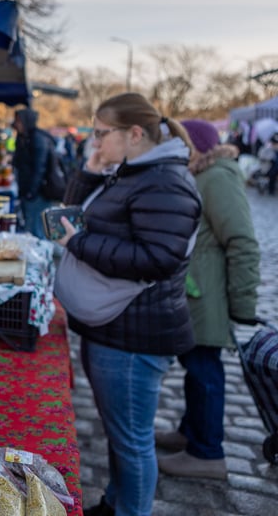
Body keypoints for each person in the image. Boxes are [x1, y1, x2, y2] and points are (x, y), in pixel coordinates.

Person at [55, 93, 202, 516]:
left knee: (133, 441)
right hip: (116, 328)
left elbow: (158, 258)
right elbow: (74, 215)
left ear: (134, 133)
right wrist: (88, 173)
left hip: (136, 334)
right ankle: (115, 503)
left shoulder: (163, 181)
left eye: (102, 133)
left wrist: (79, 244)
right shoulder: (133, 171)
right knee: (119, 434)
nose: (95, 141)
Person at [155, 119, 260, 480]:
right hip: (194, 292)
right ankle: (191, 433)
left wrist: (243, 304)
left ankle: (207, 454)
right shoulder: (200, 175)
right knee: (195, 367)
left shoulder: (216, 178)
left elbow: (242, 241)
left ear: (195, 146)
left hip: (207, 296)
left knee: (205, 372)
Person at [12, 108, 56, 238]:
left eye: (19, 121)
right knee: (29, 226)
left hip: (39, 192)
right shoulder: (23, 138)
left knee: (36, 228)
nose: (16, 124)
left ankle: (40, 256)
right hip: (27, 190)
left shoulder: (37, 139)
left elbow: (39, 168)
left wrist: (32, 191)